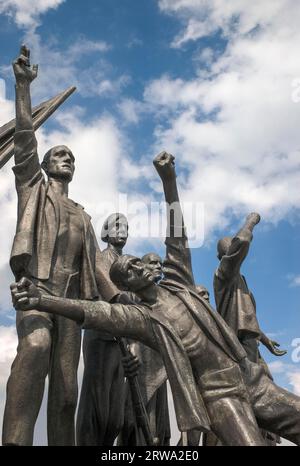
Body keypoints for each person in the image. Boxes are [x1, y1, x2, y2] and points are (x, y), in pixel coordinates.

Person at [11, 152, 300, 446]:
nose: (140, 266)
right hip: (222, 395)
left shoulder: (179, 282)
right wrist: (41, 300)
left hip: (252, 379)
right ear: (130, 285)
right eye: (131, 269)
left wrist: (169, 181)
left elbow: (177, 236)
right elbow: (93, 311)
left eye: (139, 262)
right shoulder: (143, 317)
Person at [2, 46, 103, 446]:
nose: (67, 159)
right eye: (60, 154)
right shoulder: (34, 191)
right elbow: (25, 140)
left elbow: (98, 273)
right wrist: (23, 87)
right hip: (37, 290)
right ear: (45, 164)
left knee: (66, 394)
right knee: (36, 347)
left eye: (71, 157)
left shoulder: (82, 215)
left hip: (72, 302)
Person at [214, 215, 286, 445]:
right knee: (250, 391)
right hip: (237, 343)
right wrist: (250, 222)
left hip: (249, 341)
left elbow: (247, 318)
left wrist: (265, 340)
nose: (234, 249)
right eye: (230, 247)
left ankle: (266, 435)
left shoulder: (241, 280)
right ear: (223, 255)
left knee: (264, 384)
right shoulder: (224, 275)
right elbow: (242, 242)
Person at [77, 213, 129, 445]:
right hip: (101, 336)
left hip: (123, 339)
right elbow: (112, 294)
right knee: (96, 405)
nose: (122, 229)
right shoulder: (100, 258)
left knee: (115, 417)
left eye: (126, 226)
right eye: (117, 225)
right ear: (105, 233)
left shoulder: (128, 262)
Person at [120, 253, 171, 446]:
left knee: (159, 425)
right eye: (153, 263)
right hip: (140, 365)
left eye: (160, 263)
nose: (159, 266)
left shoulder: (163, 296)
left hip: (161, 367)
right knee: (137, 420)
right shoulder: (132, 295)